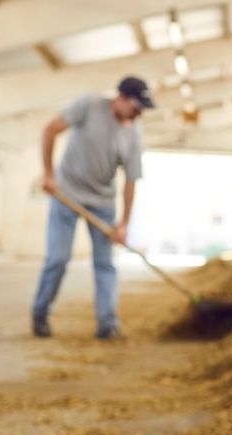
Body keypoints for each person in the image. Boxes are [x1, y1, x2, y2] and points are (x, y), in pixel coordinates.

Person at [31, 76, 153, 340]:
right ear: (120, 98)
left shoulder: (134, 133)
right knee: (58, 259)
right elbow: (50, 129)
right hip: (67, 193)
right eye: (135, 107)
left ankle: (107, 324)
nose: (138, 114)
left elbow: (131, 180)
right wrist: (49, 174)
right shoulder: (89, 106)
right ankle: (40, 314)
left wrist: (123, 224)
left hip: (102, 203)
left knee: (105, 264)